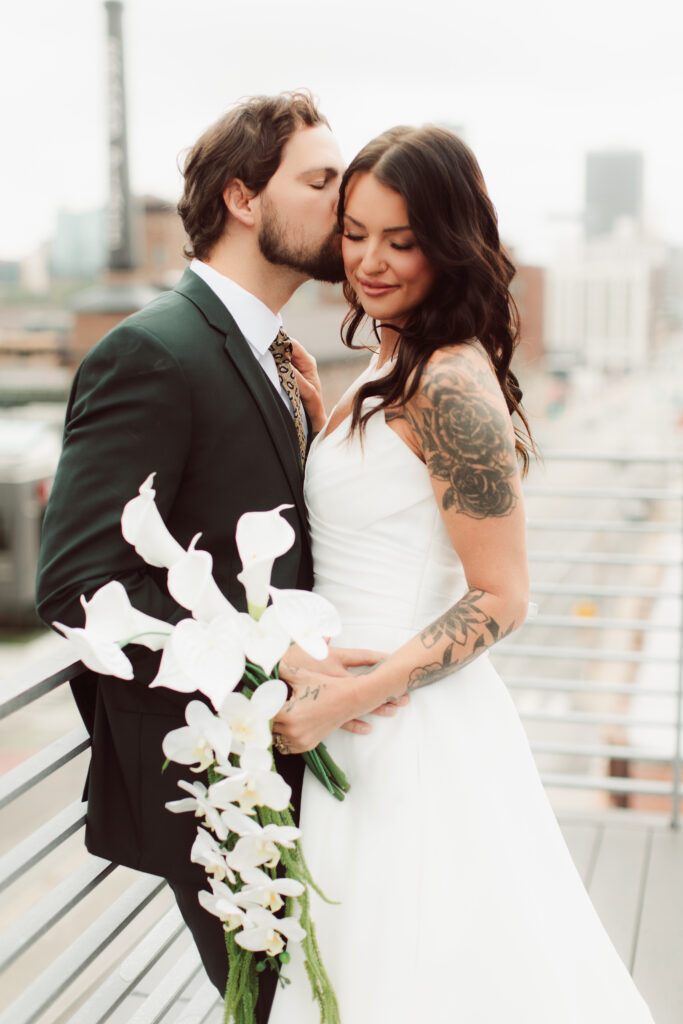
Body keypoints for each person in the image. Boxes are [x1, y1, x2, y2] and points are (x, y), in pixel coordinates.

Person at [268, 126, 656, 1022]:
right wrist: (330, 423)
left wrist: (343, 702)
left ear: (449, 241)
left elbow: (502, 597)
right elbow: (392, 496)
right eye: (355, 231)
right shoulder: (392, 358)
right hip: (360, 722)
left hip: (403, 728)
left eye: (399, 241)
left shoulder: (448, 383)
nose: (368, 261)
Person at [35, 92, 403, 1024]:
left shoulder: (274, 356)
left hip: (298, 745)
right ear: (244, 199)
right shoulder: (152, 353)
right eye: (321, 182)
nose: (345, 202)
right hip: (212, 779)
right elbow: (78, 583)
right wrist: (264, 660)